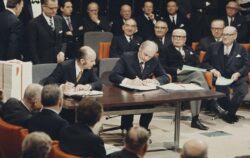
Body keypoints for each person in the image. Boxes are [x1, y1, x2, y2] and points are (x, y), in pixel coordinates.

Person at [160, 29, 226, 130]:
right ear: (172, 38)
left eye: (180, 37)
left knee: (197, 87)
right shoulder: (165, 49)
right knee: (197, 74)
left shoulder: (189, 49)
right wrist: (176, 70)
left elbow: (198, 65)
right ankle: (211, 101)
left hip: (192, 76)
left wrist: (203, 69)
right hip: (176, 77)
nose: (178, 39)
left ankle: (195, 120)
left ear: (185, 39)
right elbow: (161, 67)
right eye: (175, 36)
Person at [109, 40, 170, 131]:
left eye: (150, 56)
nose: (147, 58)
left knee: (150, 103)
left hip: (143, 93)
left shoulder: (154, 59)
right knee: (129, 104)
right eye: (145, 54)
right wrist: (129, 81)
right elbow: (113, 76)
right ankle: (128, 130)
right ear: (140, 48)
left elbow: (165, 77)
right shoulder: (127, 57)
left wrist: (154, 81)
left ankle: (143, 130)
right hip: (125, 93)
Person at [202, 26, 249, 123]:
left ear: (235, 36)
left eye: (228, 35)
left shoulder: (241, 49)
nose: (225, 37)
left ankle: (228, 114)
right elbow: (204, 63)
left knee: (242, 90)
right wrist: (213, 70)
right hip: (220, 77)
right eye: (223, 34)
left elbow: (247, 65)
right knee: (222, 89)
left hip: (236, 78)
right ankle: (229, 115)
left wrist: (238, 73)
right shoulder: (213, 46)